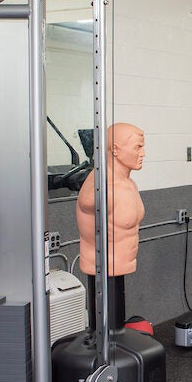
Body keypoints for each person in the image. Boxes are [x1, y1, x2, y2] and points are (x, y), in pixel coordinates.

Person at [76, 123, 146, 331]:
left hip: (121, 264)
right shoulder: (99, 190)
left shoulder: (129, 184)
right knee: (107, 331)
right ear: (115, 149)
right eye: (138, 147)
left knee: (117, 330)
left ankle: (116, 335)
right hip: (103, 264)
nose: (143, 153)